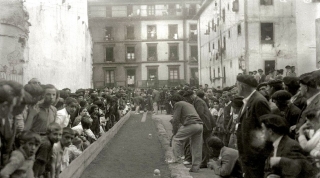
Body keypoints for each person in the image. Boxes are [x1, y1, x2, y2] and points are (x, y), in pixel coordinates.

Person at [235, 74, 271, 178]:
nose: (236, 88)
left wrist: (258, 153)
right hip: (248, 153)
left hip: (254, 155)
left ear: (242, 86)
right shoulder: (248, 100)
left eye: (237, 85)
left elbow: (267, 128)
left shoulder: (258, 101)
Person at [168, 94, 203, 173]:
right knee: (196, 146)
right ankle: (195, 167)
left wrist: (174, 132)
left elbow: (175, 120)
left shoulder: (178, 104)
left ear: (173, 101)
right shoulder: (188, 104)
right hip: (200, 125)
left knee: (176, 139)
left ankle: (177, 160)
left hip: (191, 124)